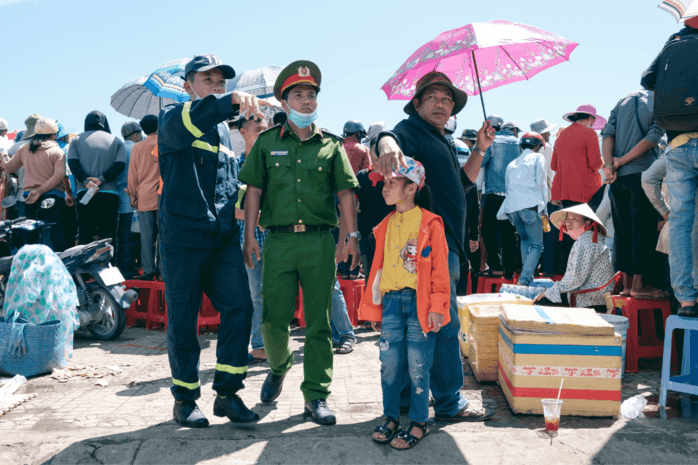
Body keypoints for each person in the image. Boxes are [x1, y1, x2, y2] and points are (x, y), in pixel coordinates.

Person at [238, 60, 359, 425]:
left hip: (320, 243)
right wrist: (249, 235)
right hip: (277, 242)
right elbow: (254, 191)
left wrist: (349, 237)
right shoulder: (266, 143)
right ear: (284, 102)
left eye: (311, 95)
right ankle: (279, 365)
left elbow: (346, 194)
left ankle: (316, 396)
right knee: (273, 320)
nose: (306, 101)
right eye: (298, 95)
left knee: (319, 323)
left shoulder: (331, 146)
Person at [374, 70, 496, 422]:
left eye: (447, 100)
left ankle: (407, 402)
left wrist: (480, 149)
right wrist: (388, 145)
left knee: (426, 323)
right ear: (417, 105)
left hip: (445, 244)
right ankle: (445, 401)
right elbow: (387, 138)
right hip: (428, 247)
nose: (441, 104)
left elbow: (461, 184)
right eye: (433, 98)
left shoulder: (440, 139)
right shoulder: (411, 132)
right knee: (439, 324)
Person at [158, 54, 269, 427]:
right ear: (188, 84)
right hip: (183, 241)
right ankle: (185, 400)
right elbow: (195, 118)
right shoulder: (174, 117)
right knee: (184, 321)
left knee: (240, 307)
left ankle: (227, 394)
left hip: (221, 240)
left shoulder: (225, 134)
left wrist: (251, 143)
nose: (217, 87)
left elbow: (233, 192)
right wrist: (230, 102)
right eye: (208, 80)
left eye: (222, 83)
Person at [360, 157, 449, 450]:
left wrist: (438, 306)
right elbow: (379, 270)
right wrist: (376, 308)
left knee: (417, 365)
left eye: (390, 183)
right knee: (389, 363)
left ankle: (419, 421)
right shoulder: (385, 224)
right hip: (391, 305)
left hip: (420, 305)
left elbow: (440, 270)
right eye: (384, 183)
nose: (384, 189)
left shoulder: (430, 223)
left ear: (411, 189)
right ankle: (390, 417)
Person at [641, 16, 698, 317]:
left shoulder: (674, 41)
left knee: (681, 222)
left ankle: (686, 299)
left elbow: (647, 80)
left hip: (676, 146)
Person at [602, 90, 667, 299]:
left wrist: (610, 165)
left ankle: (627, 285)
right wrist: (621, 161)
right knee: (643, 231)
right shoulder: (657, 101)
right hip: (642, 175)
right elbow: (652, 138)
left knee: (622, 232)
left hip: (618, 180)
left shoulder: (622, 100)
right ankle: (639, 285)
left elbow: (607, 134)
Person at [533, 204, 614, 313]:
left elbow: (575, 279)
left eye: (575, 218)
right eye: (567, 219)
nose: (569, 222)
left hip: (589, 299)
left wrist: (549, 292)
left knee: (541, 302)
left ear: (587, 223)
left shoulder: (586, 241)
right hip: (594, 296)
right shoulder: (588, 239)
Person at [1, 118, 67, 251]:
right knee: (55, 234)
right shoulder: (57, 151)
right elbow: (59, 175)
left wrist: (3, 153)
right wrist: (40, 191)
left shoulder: (24, 149)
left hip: (29, 198)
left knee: (32, 237)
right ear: (54, 135)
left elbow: (9, 168)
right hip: (53, 197)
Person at [234, 113, 269, 365]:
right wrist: (251, 216)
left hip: (277, 238)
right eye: (258, 129)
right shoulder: (233, 167)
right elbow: (224, 204)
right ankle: (259, 346)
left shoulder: (274, 164)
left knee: (275, 295)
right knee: (255, 296)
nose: (263, 134)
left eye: (266, 129)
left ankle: (275, 345)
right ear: (243, 133)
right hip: (247, 240)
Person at [496, 132, 548, 286]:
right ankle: (524, 280)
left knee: (525, 240)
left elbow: (508, 188)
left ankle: (527, 277)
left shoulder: (512, 163)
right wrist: (544, 209)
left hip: (512, 209)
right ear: (538, 146)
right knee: (537, 245)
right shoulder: (539, 158)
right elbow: (542, 184)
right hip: (530, 207)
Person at [68, 111, 126, 247]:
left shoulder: (76, 140)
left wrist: (86, 181)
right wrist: (101, 179)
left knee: (85, 232)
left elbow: (72, 163)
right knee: (109, 233)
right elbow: (120, 164)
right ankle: (108, 266)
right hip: (109, 194)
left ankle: (85, 267)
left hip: (85, 193)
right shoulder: (116, 140)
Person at [480, 114, 519, 279]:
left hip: (494, 195)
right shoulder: (519, 143)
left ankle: (496, 267)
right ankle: (509, 272)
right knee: (510, 235)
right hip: (514, 197)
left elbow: (481, 162)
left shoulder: (492, 142)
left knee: (488, 232)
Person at [552, 104, 606, 211]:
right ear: (590, 118)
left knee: (572, 225)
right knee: (588, 226)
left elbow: (554, 166)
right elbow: (594, 164)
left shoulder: (561, 136)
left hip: (564, 192)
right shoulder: (590, 133)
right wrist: (604, 161)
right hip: (586, 192)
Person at [127, 115, 160, 280]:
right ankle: (163, 270)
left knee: (147, 238)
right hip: (163, 196)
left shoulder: (137, 147)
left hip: (144, 196)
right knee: (164, 236)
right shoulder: (164, 144)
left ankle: (148, 271)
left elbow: (132, 174)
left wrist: (132, 194)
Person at [356, 137, 392, 284]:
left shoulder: (393, 176)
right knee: (371, 280)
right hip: (367, 237)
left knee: (390, 280)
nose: (377, 155)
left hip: (391, 236)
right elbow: (354, 203)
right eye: (374, 150)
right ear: (369, 152)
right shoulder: (361, 176)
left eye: (381, 151)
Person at [530, 118, 560, 277]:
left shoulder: (526, 147)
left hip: (529, 199)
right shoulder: (546, 147)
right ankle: (547, 269)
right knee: (549, 236)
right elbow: (550, 174)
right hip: (546, 199)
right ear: (544, 133)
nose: (549, 134)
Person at [116, 122, 142, 279]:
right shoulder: (137, 148)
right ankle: (131, 270)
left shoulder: (119, 148)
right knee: (134, 237)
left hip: (120, 200)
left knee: (124, 236)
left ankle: (124, 268)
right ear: (136, 135)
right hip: (135, 200)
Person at [7, 115, 42, 220]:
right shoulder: (48, 144)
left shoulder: (14, 148)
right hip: (44, 194)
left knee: (24, 230)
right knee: (45, 230)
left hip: (23, 195)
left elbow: (10, 171)